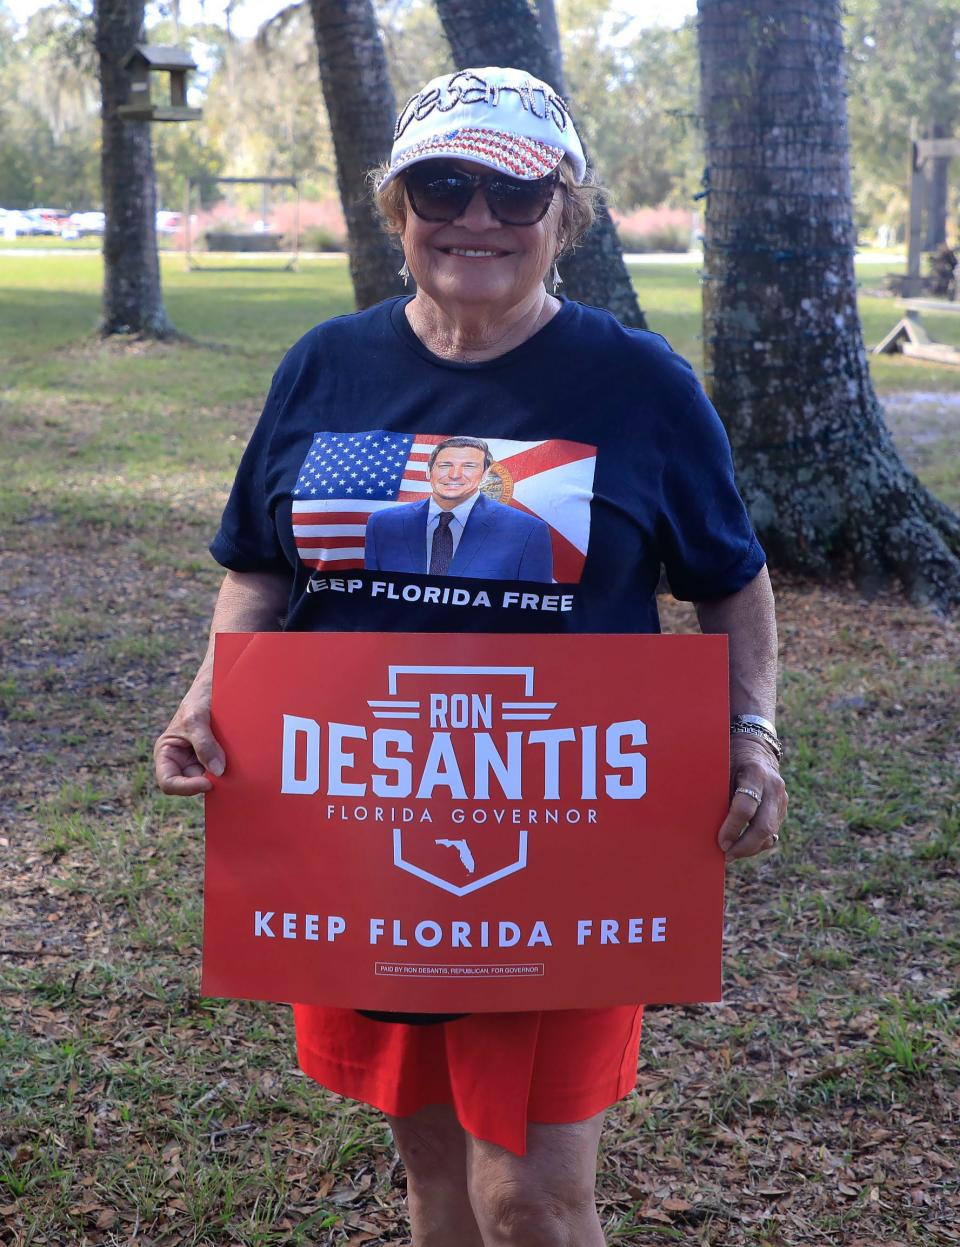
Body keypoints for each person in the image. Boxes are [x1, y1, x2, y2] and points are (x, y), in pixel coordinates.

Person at [155, 65, 788, 1247]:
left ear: (567, 216)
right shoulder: (328, 366)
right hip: (368, 831)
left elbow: (731, 579)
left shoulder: (638, 383)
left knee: (532, 1201)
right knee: (436, 1178)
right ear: (397, 208)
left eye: (517, 192)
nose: (478, 219)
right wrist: (209, 699)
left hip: (557, 847)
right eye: (444, 186)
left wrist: (752, 735)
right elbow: (261, 564)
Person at [364, 435, 554, 580]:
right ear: (429, 471)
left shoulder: (527, 531)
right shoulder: (382, 524)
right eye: (445, 465)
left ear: (485, 474)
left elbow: (534, 613)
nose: (455, 475)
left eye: (469, 466)